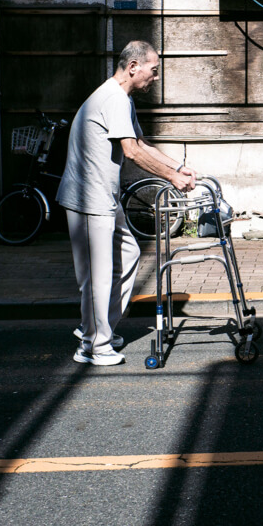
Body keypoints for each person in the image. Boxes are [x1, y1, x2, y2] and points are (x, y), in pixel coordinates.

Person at [58, 40, 196, 366]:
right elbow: (131, 153)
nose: (156, 76)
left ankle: (97, 327)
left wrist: (176, 167)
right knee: (98, 274)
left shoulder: (122, 99)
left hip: (104, 197)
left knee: (129, 253)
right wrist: (172, 179)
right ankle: (94, 345)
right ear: (133, 67)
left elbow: (140, 144)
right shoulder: (114, 98)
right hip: (88, 198)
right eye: (154, 70)